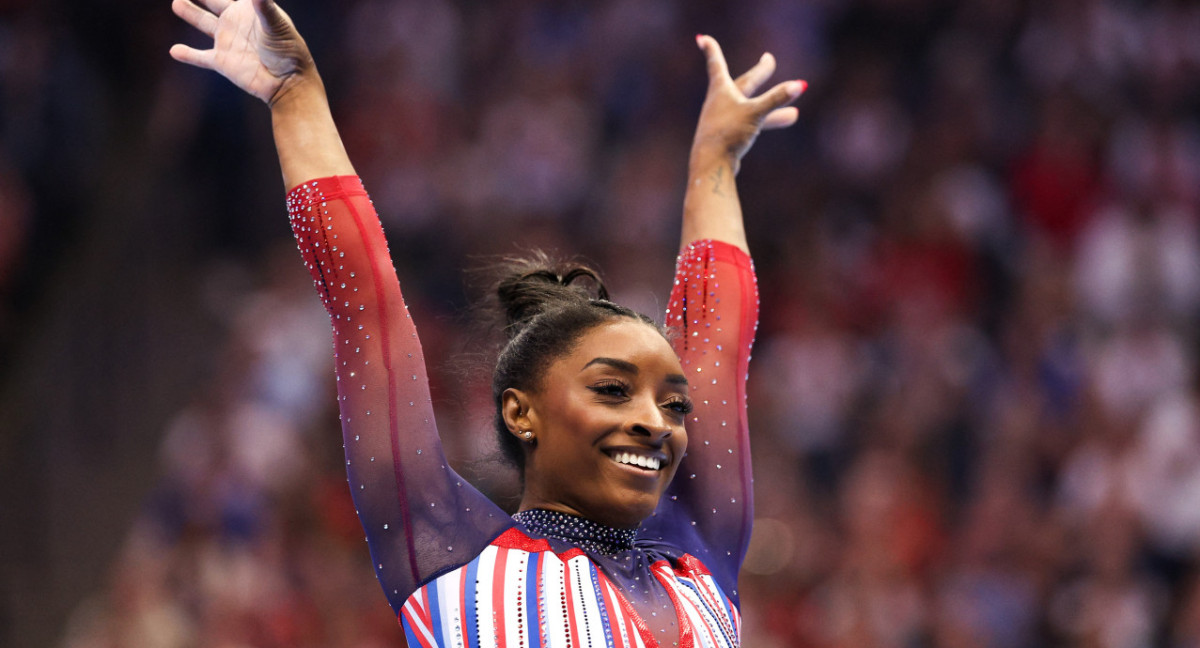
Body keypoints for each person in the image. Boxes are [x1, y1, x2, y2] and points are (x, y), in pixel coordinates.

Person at [169, 0, 805, 646]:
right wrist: (295, 97)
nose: (653, 420)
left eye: (670, 404)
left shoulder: (700, 562)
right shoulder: (450, 554)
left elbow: (716, 346)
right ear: (520, 412)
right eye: (612, 389)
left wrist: (716, 162)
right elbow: (367, 305)